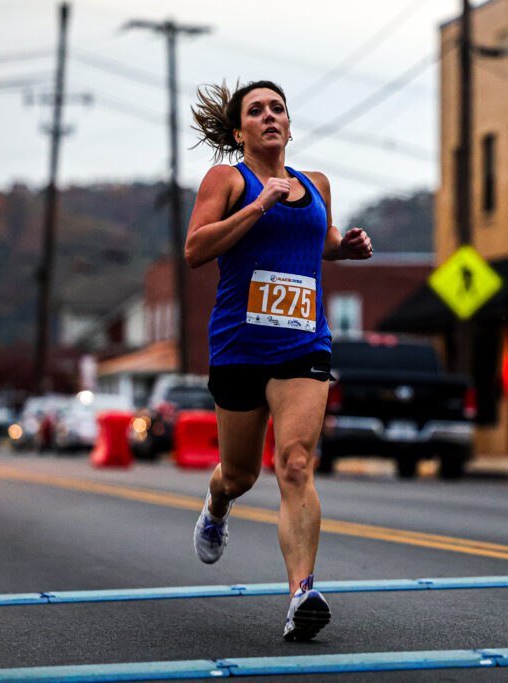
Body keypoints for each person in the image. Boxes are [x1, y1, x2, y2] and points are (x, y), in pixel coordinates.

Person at [186, 80, 373, 641]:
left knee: (294, 463)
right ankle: (217, 503)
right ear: (239, 130)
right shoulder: (228, 180)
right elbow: (195, 249)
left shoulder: (315, 184)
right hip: (240, 347)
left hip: (303, 344)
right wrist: (258, 206)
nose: (269, 116)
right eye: (256, 110)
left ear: (289, 126)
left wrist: (347, 247)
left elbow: (319, 240)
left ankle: (301, 594)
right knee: (241, 474)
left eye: (277, 109)